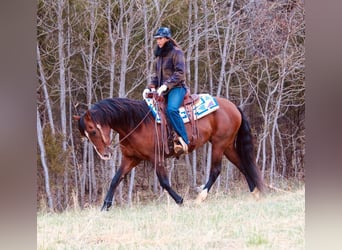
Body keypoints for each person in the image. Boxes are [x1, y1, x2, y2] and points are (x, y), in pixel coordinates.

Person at [143, 27, 189, 154]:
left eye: (160, 38)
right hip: (164, 90)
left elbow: (180, 73)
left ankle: (184, 139)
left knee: (171, 109)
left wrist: (166, 85)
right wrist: (151, 86)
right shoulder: (159, 56)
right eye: (157, 39)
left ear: (167, 38)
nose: (158, 41)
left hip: (177, 88)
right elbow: (157, 77)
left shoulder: (176, 52)